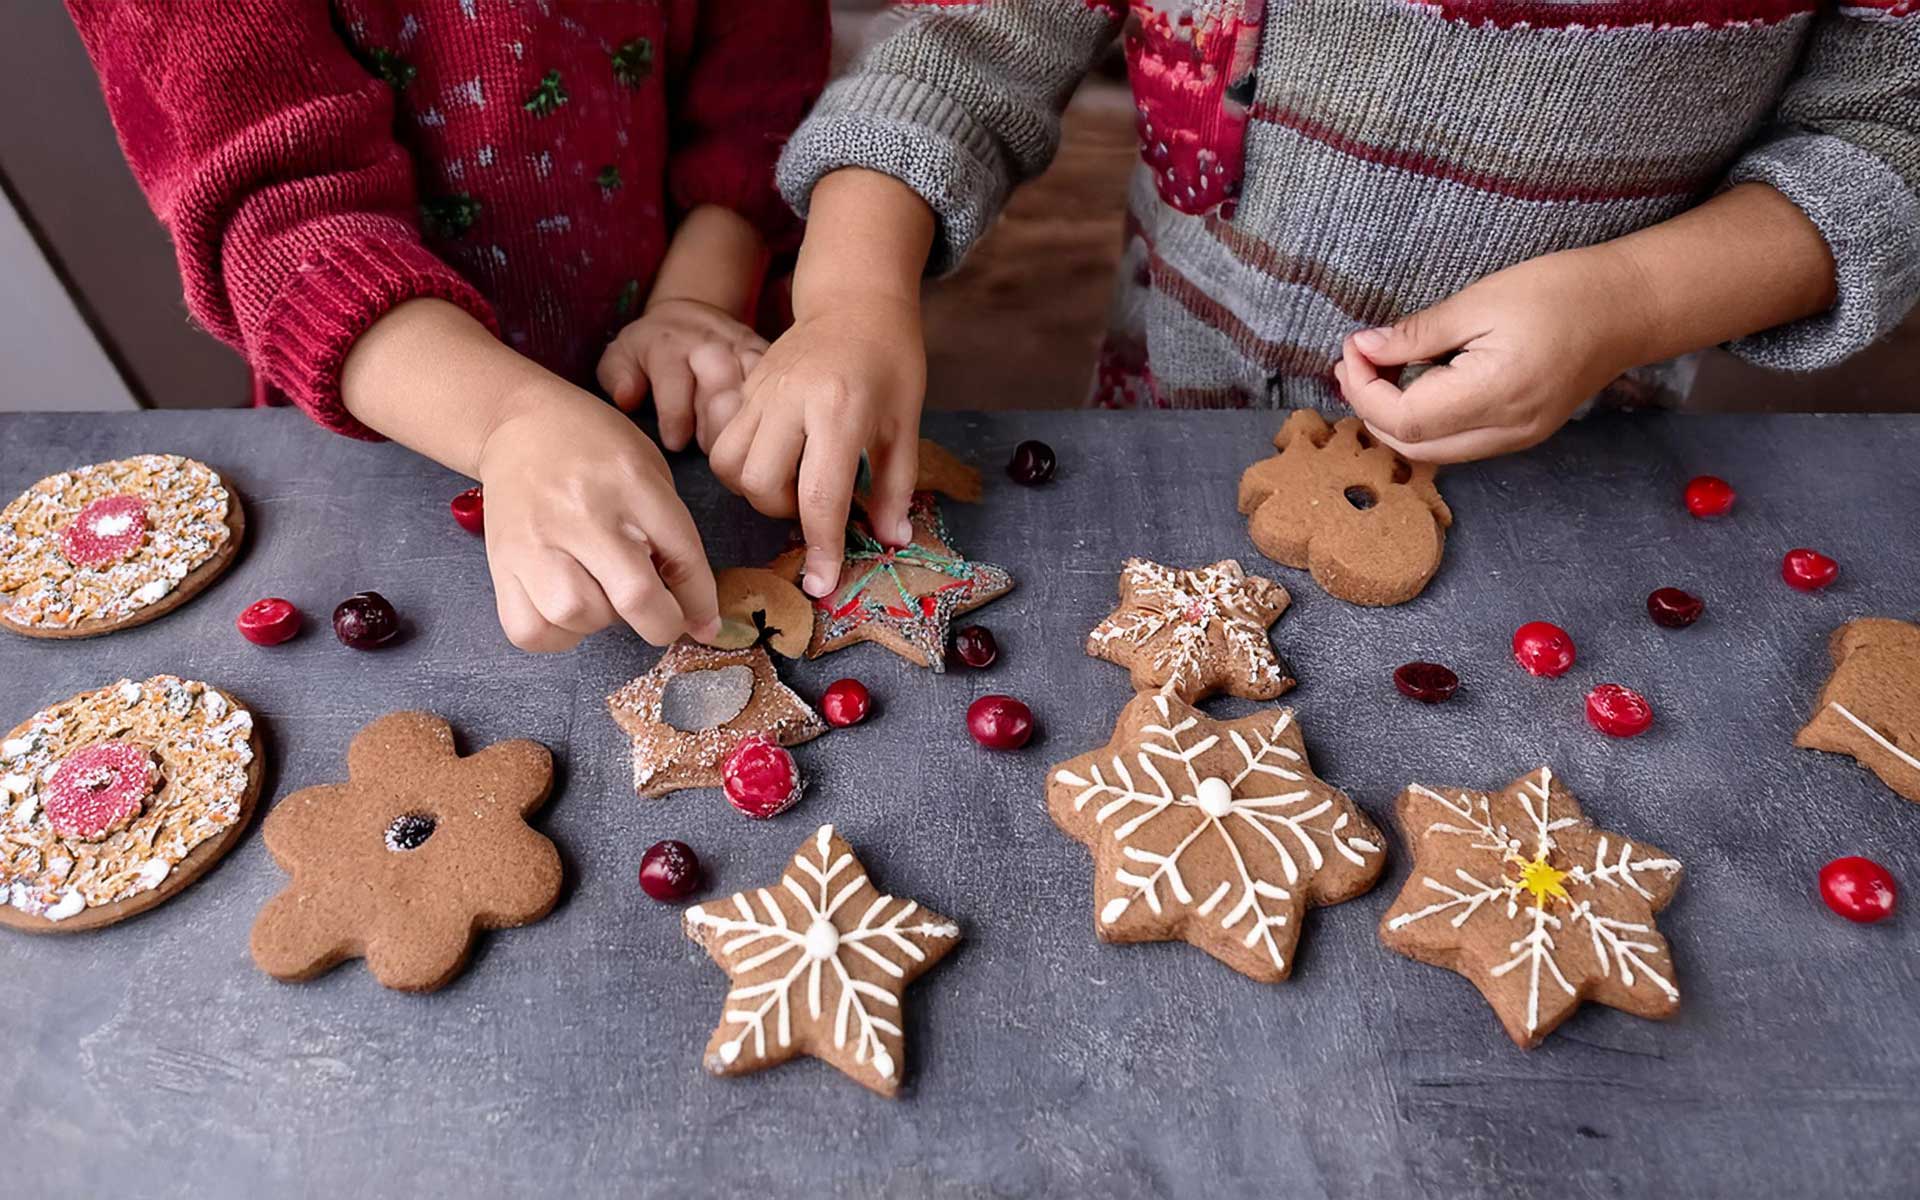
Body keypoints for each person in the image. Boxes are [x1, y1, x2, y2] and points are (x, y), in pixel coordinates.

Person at [724, 0, 1918, 599]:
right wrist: (846, 295)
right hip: (1165, 418)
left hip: (1569, 469)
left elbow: (1893, 127)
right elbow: (967, 38)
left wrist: (1629, 298)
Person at [68, 0, 829, 651]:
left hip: (697, 377)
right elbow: (280, 211)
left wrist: (695, 301)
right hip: (389, 414)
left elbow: (757, 97)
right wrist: (505, 418)